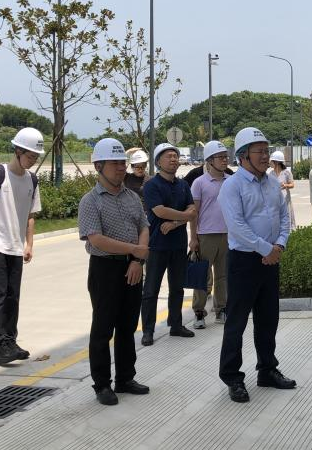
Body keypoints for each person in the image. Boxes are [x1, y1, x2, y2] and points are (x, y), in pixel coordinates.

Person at [218, 127, 296, 403]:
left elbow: (283, 216)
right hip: (244, 261)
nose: (265, 156)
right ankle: (232, 377)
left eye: (266, 150)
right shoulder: (232, 186)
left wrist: (280, 245)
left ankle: (267, 369)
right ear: (243, 156)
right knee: (237, 321)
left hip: (271, 257)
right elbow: (237, 226)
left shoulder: (273, 182)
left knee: (268, 318)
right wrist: (266, 249)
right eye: (259, 151)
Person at [77, 138, 151, 406]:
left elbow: (144, 226)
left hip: (132, 266)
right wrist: (135, 250)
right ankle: (102, 384)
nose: (121, 168)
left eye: (123, 163)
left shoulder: (132, 197)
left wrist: (137, 259)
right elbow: (96, 239)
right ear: (99, 166)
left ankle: (125, 378)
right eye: (115, 163)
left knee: (128, 326)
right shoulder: (90, 201)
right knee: (103, 328)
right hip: (105, 269)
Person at [0, 127, 43, 366]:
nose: (33, 161)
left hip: (15, 246)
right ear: (18, 151)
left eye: (36, 157)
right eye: (30, 156)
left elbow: (31, 215)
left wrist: (29, 243)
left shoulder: (32, 180)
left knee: (13, 296)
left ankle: (10, 341)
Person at [141, 143, 197, 346]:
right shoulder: (151, 185)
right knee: (151, 290)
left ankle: (176, 325)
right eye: (169, 156)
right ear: (158, 161)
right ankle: (148, 330)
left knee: (177, 288)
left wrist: (175, 223)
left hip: (178, 244)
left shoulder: (183, 185)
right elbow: (159, 211)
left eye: (175, 156)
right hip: (157, 245)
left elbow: (193, 211)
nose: (174, 159)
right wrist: (184, 216)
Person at [188, 140, 231, 327]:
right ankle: (199, 312)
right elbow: (194, 213)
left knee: (223, 276)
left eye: (225, 157)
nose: (224, 160)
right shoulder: (199, 183)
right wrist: (193, 238)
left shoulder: (231, 181)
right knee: (203, 276)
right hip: (206, 235)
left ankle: (221, 309)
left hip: (227, 235)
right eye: (220, 157)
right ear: (210, 160)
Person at [268, 151, 297, 227]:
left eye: (272, 161)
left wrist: (286, 185)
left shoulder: (287, 172)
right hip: (275, 201)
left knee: (286, 218)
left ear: (277, 162)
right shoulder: (271, 174)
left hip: (285, 200)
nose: (270, 163)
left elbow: (292, 185)